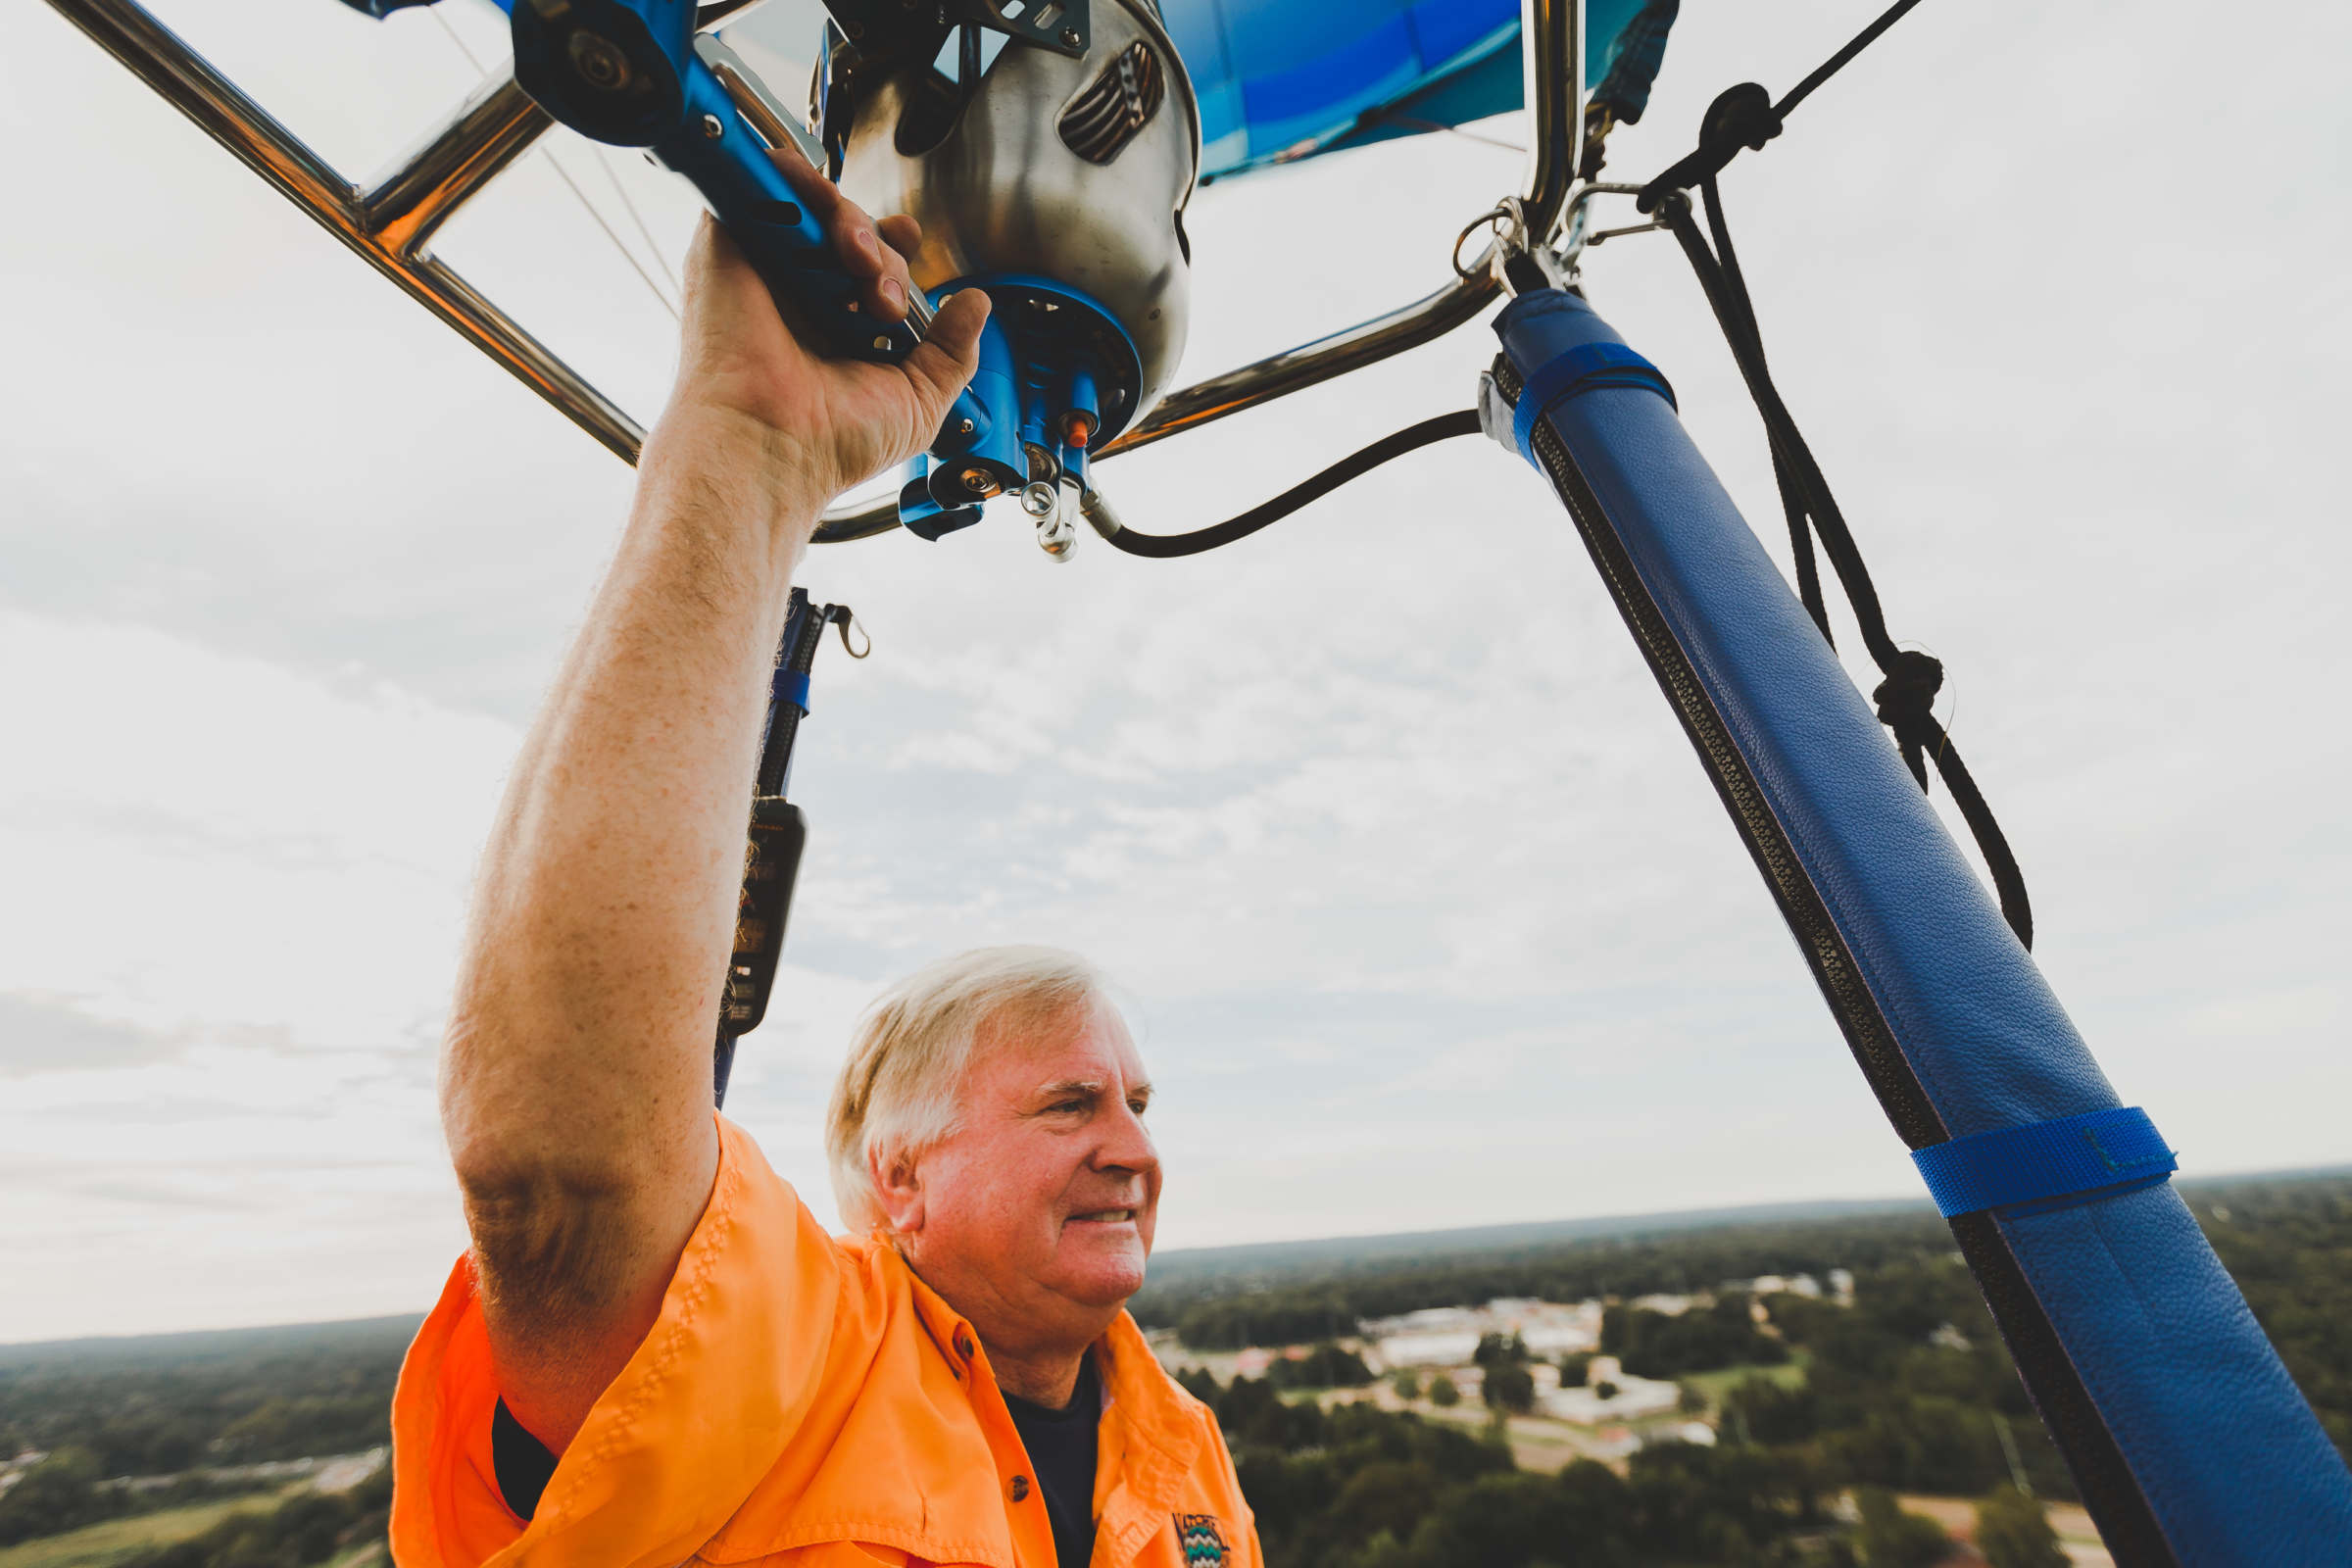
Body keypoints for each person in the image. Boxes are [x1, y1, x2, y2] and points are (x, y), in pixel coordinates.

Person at [387, 150, 1257, 1568]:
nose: (1134, 1148)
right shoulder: (792, 1370)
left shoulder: (1187, 1462)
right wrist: (749, 446)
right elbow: (562, 1175)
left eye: (1135, 1101)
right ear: (898, 1182)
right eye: (1067, 1105)